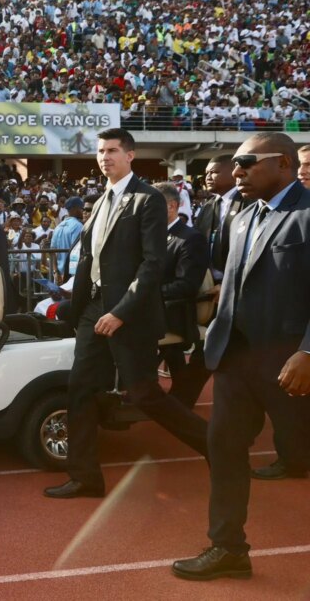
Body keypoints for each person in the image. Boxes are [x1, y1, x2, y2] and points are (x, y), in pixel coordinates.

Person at [173, 133, 310, 581]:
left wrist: (308, 351)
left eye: (248, 162)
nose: (237, 172)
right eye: (235, 163)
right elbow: (230, 285)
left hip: (292, 367)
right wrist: (214, 338)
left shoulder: (307, 214)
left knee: (301, 456)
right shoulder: (240, 217)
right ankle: (228, 548)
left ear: (285, 164)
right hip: (235, 362)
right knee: (225, 449)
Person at [45, 128, 207, 499]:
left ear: (130, 156)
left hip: (128, 314)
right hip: (93, 309)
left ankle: (213, 446)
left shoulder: (146, 199)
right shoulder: (101, 200)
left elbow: (152, 264)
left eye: (113, 150)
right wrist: (80, 306)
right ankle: (85, 476)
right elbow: (91, 259)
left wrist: (120, 312)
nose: (105, 157)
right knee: (81, 389)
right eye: (101, 151)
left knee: (145, 394)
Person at [153, 182, 210, 408]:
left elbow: (186, 285)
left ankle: (139, 386)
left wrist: (148, 295)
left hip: (174, 309)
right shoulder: (149, 235)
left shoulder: (189, 239)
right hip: (156, 307)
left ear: (172, 206)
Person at [195, 154, 246, 282]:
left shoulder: (249, 203)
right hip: (209, 280)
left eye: (214, 172)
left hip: (238, 280)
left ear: (233, 173)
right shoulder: (208, 206)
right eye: (206, 173)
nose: (208, 177)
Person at [48, 197, 85, 279]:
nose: (83, 211)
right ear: (75, 209)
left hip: (59, 274)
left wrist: (56, 272)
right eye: (81, 208)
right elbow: (75, 252)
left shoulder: (58, 226)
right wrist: (73, 275)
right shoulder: (78, 226)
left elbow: (52, 252)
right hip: (71, 274)